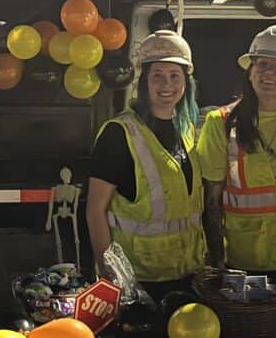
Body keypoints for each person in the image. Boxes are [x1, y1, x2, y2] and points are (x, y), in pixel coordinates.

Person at [86, 30, 205, 302]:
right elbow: (95, 211)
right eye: (157, 75)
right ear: (144, 81)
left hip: (188, 273)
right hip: (140, 282)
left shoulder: (186, 131)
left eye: (175, 75)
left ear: (186, 81)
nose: (167, 84)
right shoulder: (119, 133)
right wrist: (111, 279)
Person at [196, 25, 276, 277]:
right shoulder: (220, 123)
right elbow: (211, 202)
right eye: (262, 64)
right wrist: (217, 260)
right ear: (250, 71)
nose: (269, 73)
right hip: (246, 260)